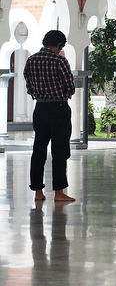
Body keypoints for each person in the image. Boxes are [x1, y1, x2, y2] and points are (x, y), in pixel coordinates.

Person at [23, 30, 76, 202]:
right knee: (59, 151)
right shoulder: (60, 60)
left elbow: (29, 85)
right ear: (59, 45)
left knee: (39, 149)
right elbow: (70, 87)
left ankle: (38, 192)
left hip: (40, 108)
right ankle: (59, 192)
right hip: (59, 109)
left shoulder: (31, 60)